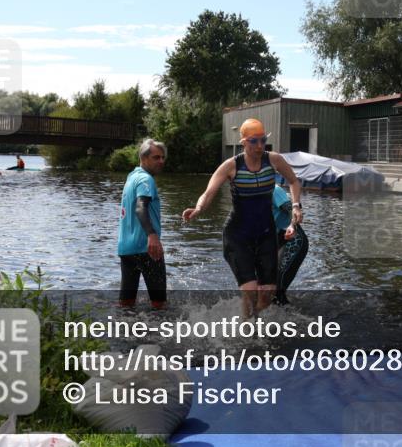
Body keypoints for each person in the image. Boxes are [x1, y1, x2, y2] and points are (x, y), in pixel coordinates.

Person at [182, 118, 303, 317]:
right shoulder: (231, 166)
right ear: (244, 143)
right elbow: (209, 192)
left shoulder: (273, 160)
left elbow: (294, 181)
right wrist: (198, 209)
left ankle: (251, 324)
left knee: (267, 295)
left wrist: (296, 205)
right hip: (238, 235)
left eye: (263, 140)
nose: (260, 145)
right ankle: (246, 331)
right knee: (251, 291)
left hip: (265, 233)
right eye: (254, 141)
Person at [118, 138, 167, 309]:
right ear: (144, 158)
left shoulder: (131, 177)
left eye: (162, 157)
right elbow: (140, 208)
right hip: (147, 248)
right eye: (156, 157)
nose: (161, 161)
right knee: (159, 305)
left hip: (126, 249)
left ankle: (123, 333)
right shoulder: (146, 180)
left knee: (126, 303)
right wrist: (152, 235)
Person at [271, 184, 309, 305]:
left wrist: (292, 225)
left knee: (276, 289)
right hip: (277, 242)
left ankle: (293, 319)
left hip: (293, 241)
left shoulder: (274, 190)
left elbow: (294, 212)